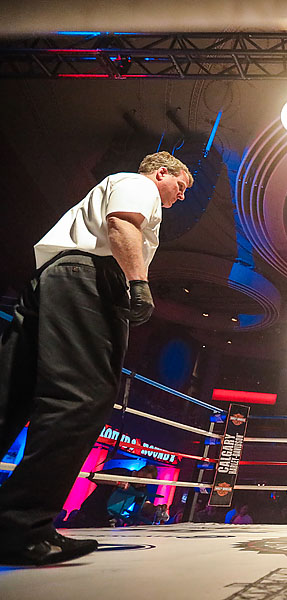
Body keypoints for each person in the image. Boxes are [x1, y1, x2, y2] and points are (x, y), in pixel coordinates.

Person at [0, 152, 192, 566]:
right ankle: (21, 526)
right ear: (162, 173)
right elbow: (122, 223)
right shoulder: (139, 185)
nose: (181, 197)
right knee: (82, 396)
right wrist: (138, 284)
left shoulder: (111, 189)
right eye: (181, 186)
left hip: (53, 277)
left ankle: (19, 522)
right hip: (88, 277)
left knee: (11, 393)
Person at [69, 464, 158, 527]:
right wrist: (116, 482)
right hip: (88, 514)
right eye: (144, 480)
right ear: (139, 472)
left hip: (106, 520)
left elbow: (144, 504)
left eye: (147, 482)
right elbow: (93, 476)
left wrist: (156, 509)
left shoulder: (141, 487)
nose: (143, 484)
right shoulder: (121, 473)